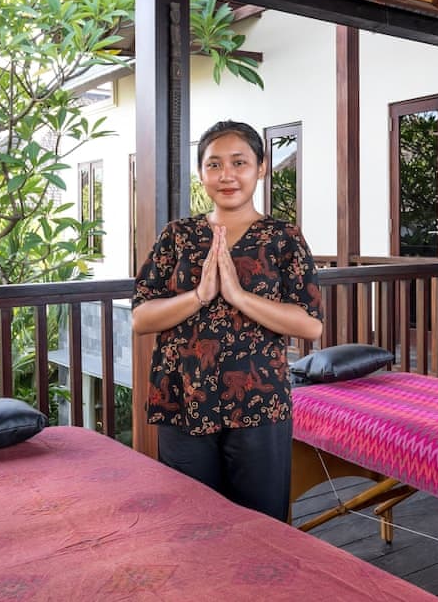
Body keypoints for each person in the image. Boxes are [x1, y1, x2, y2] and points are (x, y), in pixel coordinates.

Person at [132, 119, 324, 522]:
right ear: (201, 173)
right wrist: (200, 295)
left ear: (261, 168)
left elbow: (310, 324)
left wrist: (238, 296)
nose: (227, 175)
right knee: (192, 524)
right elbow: (141, 318)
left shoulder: (284, 238)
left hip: (259, 403)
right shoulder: (177, 236)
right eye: (214, 164)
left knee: (262, 526)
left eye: (239, 162)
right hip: (183, 400)